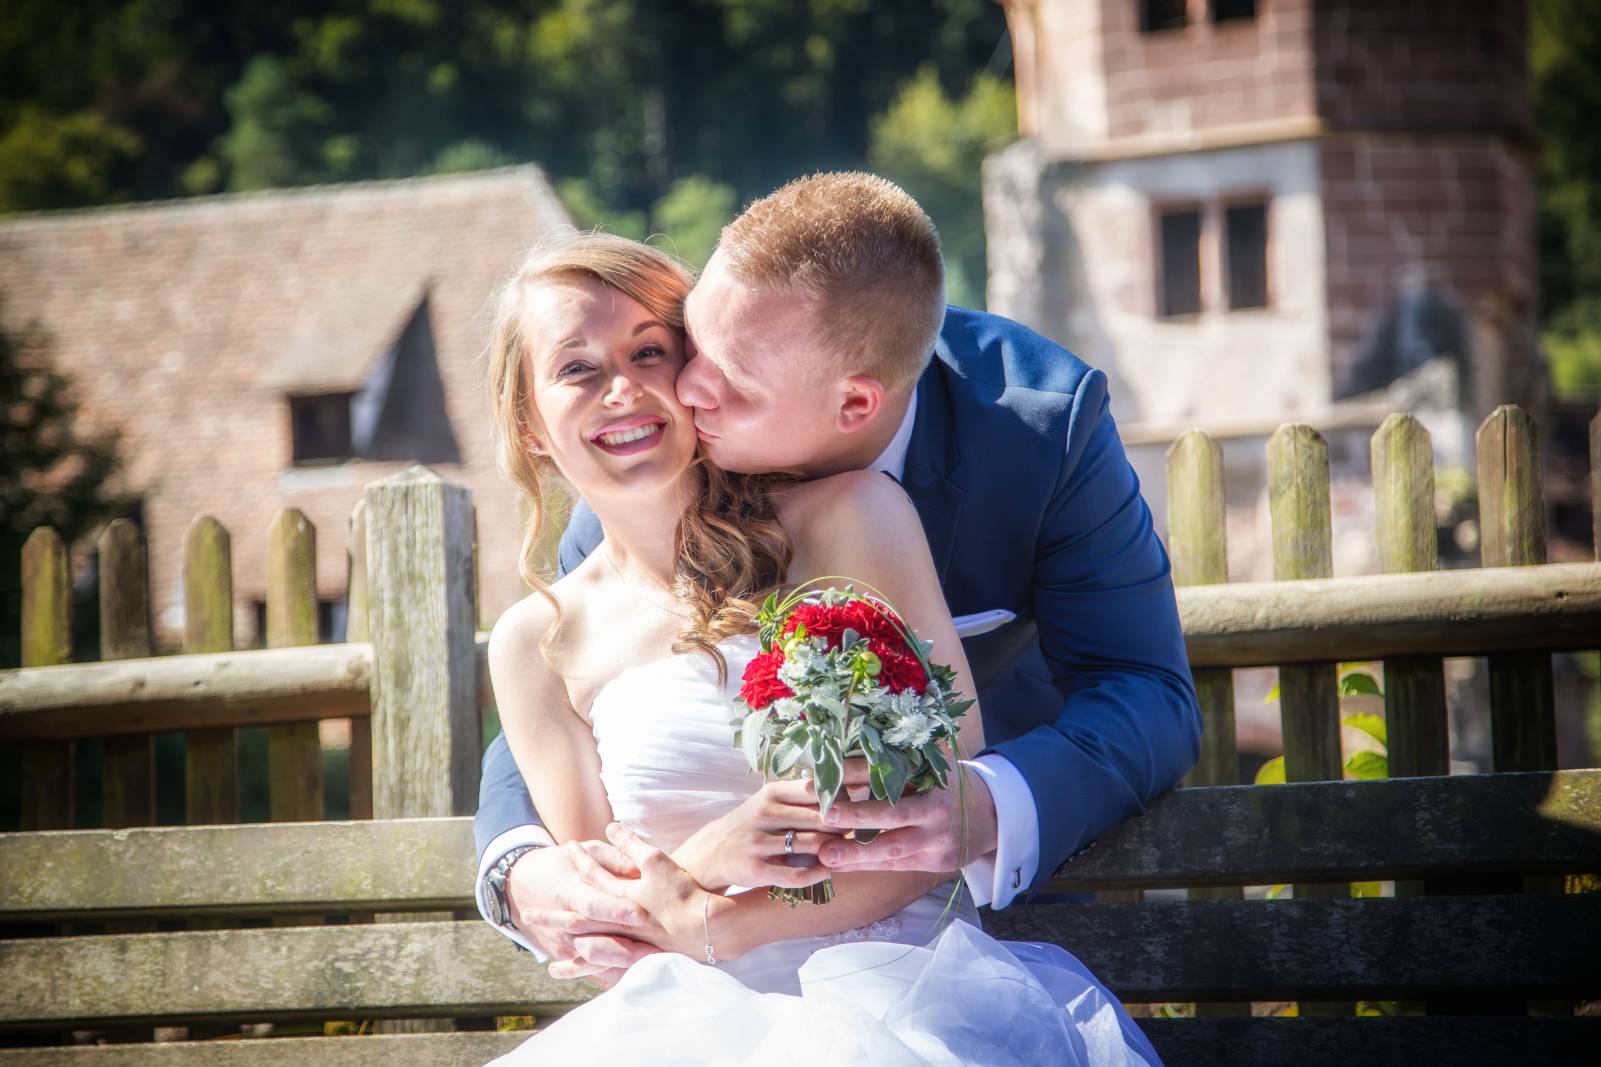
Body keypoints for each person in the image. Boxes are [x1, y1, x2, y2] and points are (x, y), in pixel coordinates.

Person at [474, 173, 1200, 991]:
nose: (679, 387)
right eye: (693, 346)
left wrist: (981, 806)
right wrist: (517, 866)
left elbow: (1141, 686)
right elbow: (587, 709)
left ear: (854, 401)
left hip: (959, 927)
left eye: (660, 353)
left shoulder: (1032, 431)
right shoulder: (628, 481)